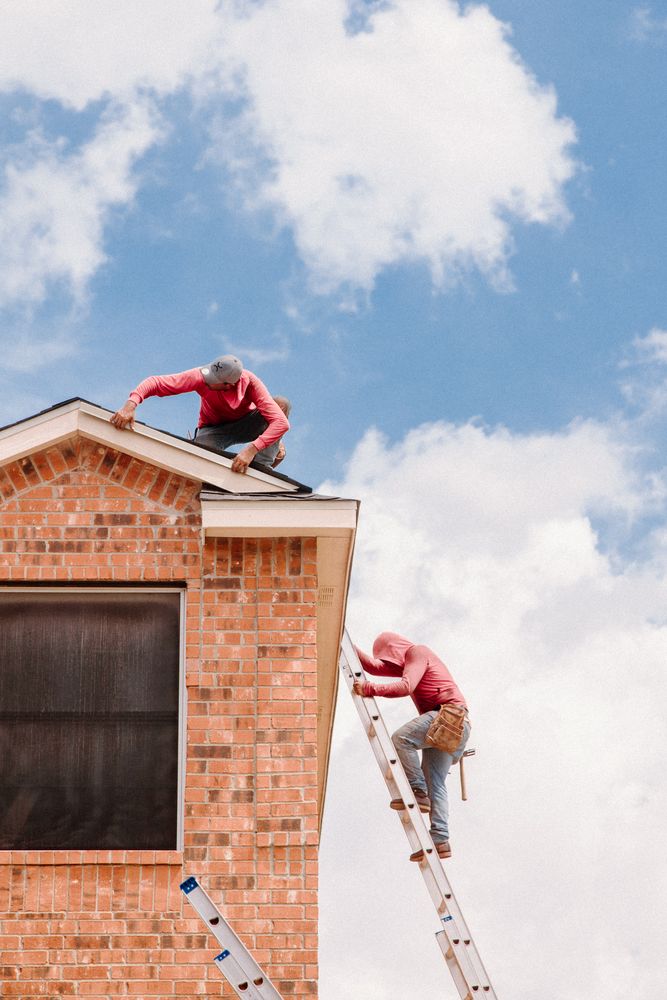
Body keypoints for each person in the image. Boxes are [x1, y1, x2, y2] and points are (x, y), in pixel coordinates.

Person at [353, 631, 470, 861]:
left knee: (400, 739)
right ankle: (440, 838)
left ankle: (418, 791)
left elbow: (406, 686)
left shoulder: (417, 652)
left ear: (394, 649)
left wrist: (370, 689)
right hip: (456, 725)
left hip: (449, 716)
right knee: (435, 783)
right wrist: (341, 638)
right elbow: (374, 667)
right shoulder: (410, 660)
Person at [110, 355, 290, 474]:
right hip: (213, 430)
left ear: (230, 385)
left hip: (246, 423)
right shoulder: (200, 377)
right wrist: (130, 405)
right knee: (197, 463)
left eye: (214, 381)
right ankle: (263, 444)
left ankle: (263, 465)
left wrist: (252, 449)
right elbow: (156, 382)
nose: (207, 381)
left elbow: (282, 423)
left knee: (281, 405)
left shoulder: (251, 384)